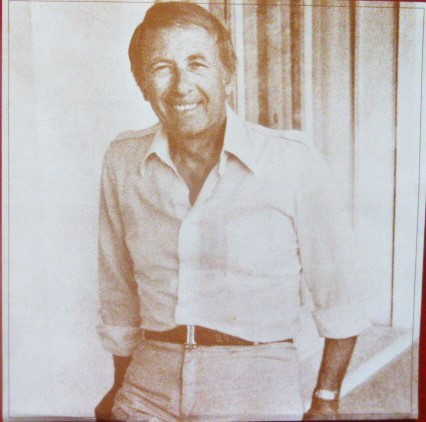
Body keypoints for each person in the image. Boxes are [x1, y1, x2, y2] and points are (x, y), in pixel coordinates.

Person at [95, 2, 370, 420]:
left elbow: (341, 296)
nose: (181, 86)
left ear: (227, 74)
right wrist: (120, 389)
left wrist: (326, 400)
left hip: (255, 379)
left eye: (198, 64)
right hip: (149, 381)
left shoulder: (291, 161)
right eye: (162, 68)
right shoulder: (123, 160)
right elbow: (117, 291)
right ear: (143, 85)